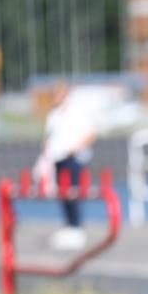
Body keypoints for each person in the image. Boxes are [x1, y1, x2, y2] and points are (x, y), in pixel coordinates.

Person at [34, 81, 97, 251]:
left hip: (73, 158)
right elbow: (50, 136)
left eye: (57, 94)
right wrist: (46, 149)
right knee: (62, 192)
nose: (54, 97)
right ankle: (68, 225)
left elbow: (91, 134)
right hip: (57, 158)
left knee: (72, 192)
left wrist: (75, 149)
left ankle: (76, 227)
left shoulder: (76, 113)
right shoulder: (53, 115)